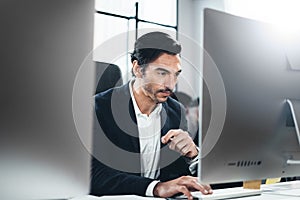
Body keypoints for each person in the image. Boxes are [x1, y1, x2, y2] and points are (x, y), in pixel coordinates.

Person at [90, 31, 212, 200]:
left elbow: (177, 176)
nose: (171, 85)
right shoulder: (98, 108)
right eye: (162, 73)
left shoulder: (176, 111)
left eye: (175, 74)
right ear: (138, 69)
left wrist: (192, 155)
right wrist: (156, 188)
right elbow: (93, 175)